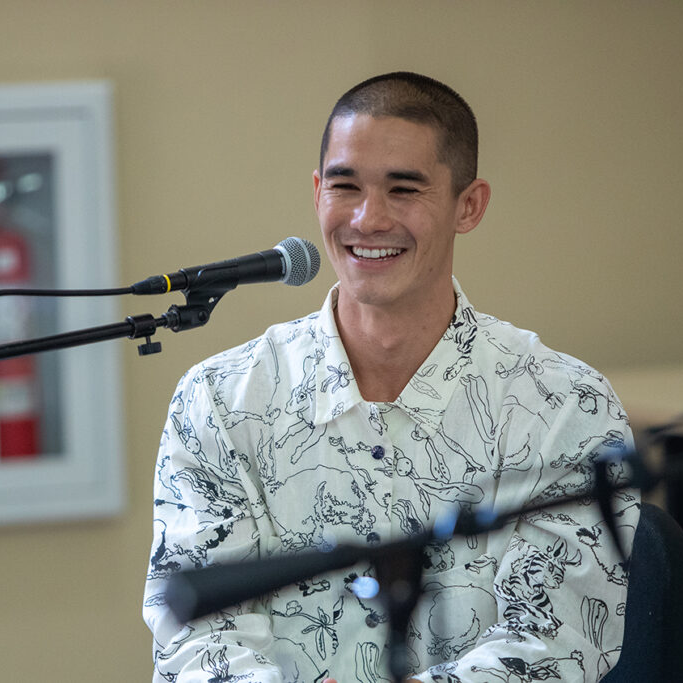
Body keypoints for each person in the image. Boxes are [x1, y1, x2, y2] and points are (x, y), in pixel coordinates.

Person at [142, 72, 639, 683]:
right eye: (345, 186)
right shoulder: (220, 399)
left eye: (404, 190)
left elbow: (554, 646)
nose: (368, 219)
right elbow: (195, 638)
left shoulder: (564, 405)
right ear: (318, 192)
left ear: (469, 205)